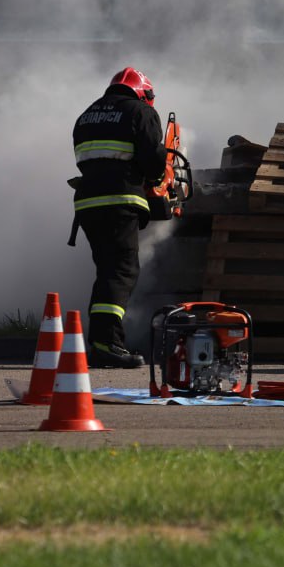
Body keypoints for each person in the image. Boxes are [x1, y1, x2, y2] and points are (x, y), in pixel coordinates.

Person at [69, 67, 168, 368]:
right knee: (122, 270)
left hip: (87, 204)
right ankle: (107, 344)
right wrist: (159, 176)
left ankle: (101, 341)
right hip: (119, 201)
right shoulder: (141, 112)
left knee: (108, 271)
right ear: (143, 92)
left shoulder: (87, 115)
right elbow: (153, 164)